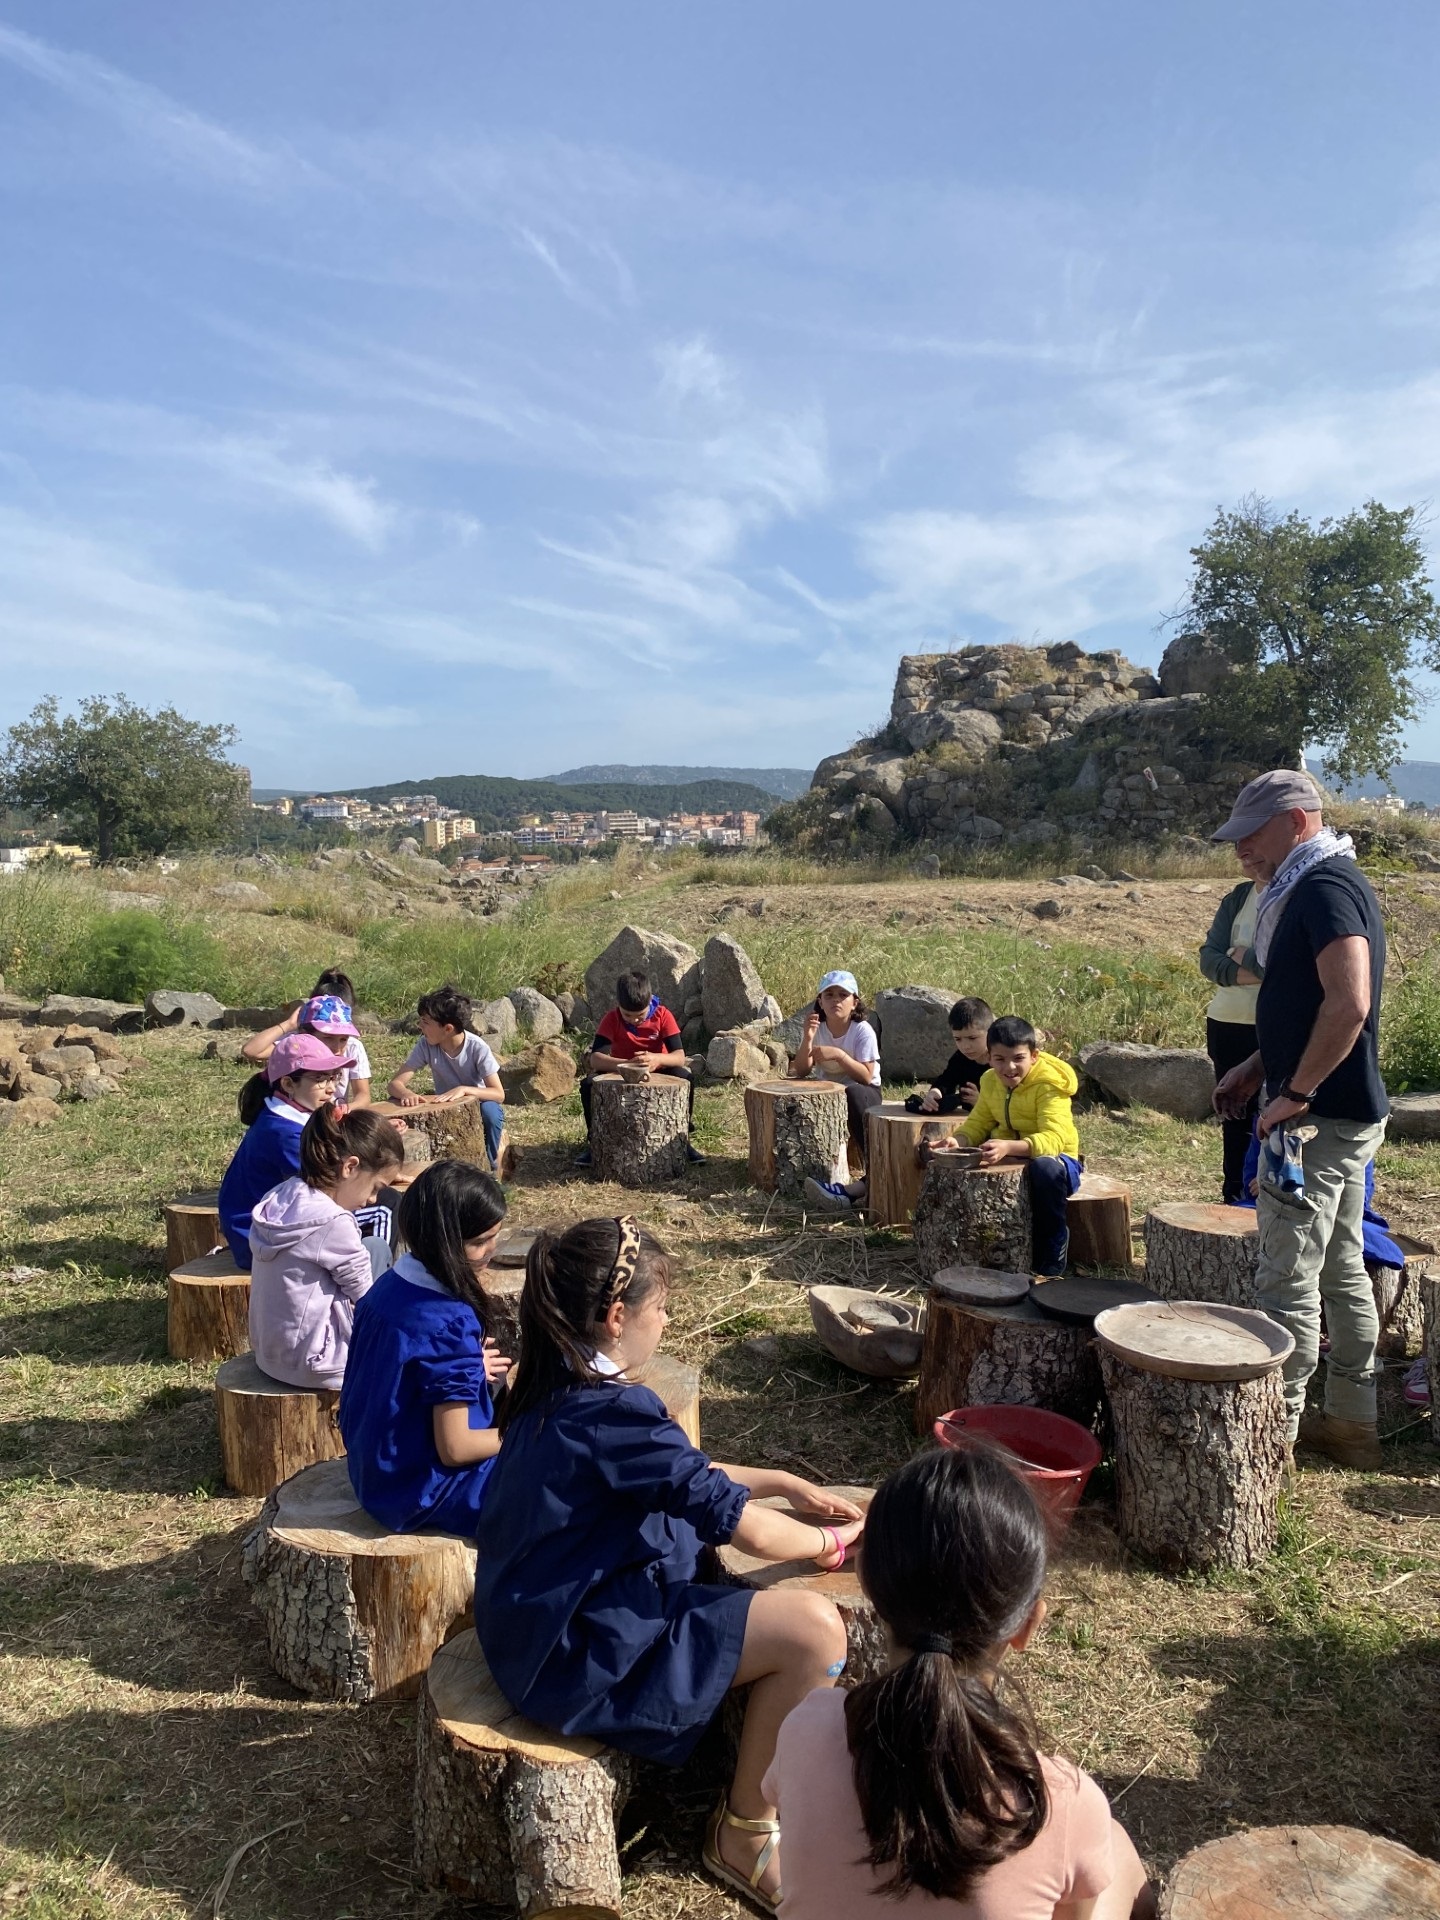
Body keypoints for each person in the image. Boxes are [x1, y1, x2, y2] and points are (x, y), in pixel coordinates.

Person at [473, 1217, 865, 1913]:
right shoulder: (614, 1411)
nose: (668, 1320)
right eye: (661, 1308)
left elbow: (675, 1471)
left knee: (698, 1556)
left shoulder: (555, 1374)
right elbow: (753, 1533)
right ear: (618, 1315)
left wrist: (777, 1478)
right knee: (815, 1630)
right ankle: (743, 1832)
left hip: (526, 1628)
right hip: (570, 1659)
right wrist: (835, 1547)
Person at [767, 1444, 1155, 1920]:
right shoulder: (1060, 1803)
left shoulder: (806, 1728)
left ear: (866, 1582)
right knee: (1116, 1850)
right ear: (1027, 1625)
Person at [1210, 769, 1388, 1469]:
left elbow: (1348, 1003)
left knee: (1285, 1278)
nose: (1241, 850)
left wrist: (1297, 1092)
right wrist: (1259, 1066)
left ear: (1296, 821)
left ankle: (1269, 1446)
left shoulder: (1324, 888)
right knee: (1342, 1264)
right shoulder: (1311, 885)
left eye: (1250, 834)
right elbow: (1307, 1003)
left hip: (1317, 1120)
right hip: (1339, 1111)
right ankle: (1351, 1420)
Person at [338, 1160, 512, 1533]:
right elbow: (457, 1448)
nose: (491, 1251)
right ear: (442, 1242)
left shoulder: (388, 1286)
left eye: (495, 1235)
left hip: (378, 1473)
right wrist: (527, 1431)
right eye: (479, 1241)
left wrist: (464, 1367)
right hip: (423, 1491)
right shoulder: (449, 1323)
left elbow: (398, 1371)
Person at [247, 1105, 405, 1389]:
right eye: (375, 1187)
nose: (373, 1200)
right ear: (350, 1167)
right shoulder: (332, 1223)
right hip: (321, 1365)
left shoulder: (280, 1196)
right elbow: (371, 1305)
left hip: (272, 1355)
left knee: (374, 1247)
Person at [955, 1017, 1081, 1277]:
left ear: (1034, 1056)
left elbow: (1054, 1140)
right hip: (1011, 1157)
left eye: (1018, 1058)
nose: (1009, 1067)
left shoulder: (1049, 1084)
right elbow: (979, 1121)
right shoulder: (989, 1081)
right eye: (999, 1059)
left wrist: (1008, 1145)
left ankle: (1054, 1240)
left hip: (1059, 1163)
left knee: (1044, 1169)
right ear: (989, 1057)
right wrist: (958, 1141)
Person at [219, 1035, 349, 1269]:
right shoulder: (284, 1133)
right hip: (260, 1242)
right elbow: (329, 1185)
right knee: (381, 1210)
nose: (331, 1089)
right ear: (288, 1084)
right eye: (320, 1079)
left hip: (266, 1231)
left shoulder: (289, 1116)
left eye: (334, 1077)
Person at [575, 969, 702, 1168]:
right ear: (618, 1006)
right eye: (627, 1015)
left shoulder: (662, 1015)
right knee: (588, 1084)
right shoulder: (612, 1018)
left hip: (656, 1069)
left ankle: (682, 1138)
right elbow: (596, 1059)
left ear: (649, 1001)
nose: (634, 1020)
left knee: (686, 1077)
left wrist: (656, 1059)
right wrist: (625, 1065)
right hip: (621, 1070)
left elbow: (679, 1057)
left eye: (640, 1015)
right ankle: (595, 1142)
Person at [387, 984, 507, 1174]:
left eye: (426, 1022)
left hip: (478, 1102)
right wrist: (405, 1093)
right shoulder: (426, 1045)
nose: (420, 1026)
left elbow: (498, 1094)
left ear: (448, 1028)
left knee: (490, 1113)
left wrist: (465, 1089)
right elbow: (395, 1084)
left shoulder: (477, 1048)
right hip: (444, 1107)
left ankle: (490, 1166)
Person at [792, 971, 882, 1214]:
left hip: (864, 1093)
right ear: (820, 1001)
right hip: (828, 1095)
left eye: (843, 995)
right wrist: (807, 1038)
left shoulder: (862, 1031)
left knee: (852, 1092)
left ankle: (875, 1170)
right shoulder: (818, 1027)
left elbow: (866, 1075)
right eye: (829, 995)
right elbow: (800, 1070)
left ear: (854, 1002)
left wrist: (839, 1055)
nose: (836, 1001)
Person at [1199, 881, 1263, 1201]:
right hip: (1226, 1024)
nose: (1243, 852)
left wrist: (1242, 957)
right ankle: (1233, 1197)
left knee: (1271, 1116)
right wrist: (1264, 968)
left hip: (1273, 1025)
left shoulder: (1296, 894)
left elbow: (1293, 966)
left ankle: (1264, 1198)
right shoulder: (1239, 896)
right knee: (1234, 1116)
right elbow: (1210, 961)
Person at [911, 997, 994, 1115]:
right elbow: (947, 1080)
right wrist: (936, 1092)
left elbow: (1014, 1101)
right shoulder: (961, 1059)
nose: (966, 1046)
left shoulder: (1002, 1061)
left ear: (990, 1032)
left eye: (972, 1038)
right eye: (958, 1039)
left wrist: (981, 1102)